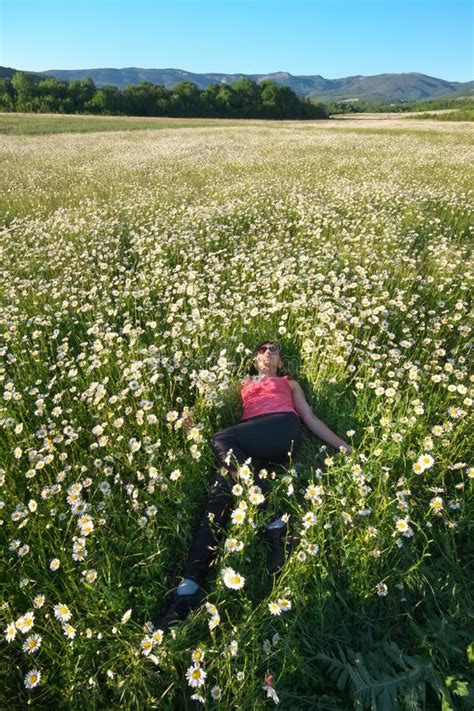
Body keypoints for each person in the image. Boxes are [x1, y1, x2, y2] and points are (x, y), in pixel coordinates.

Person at [154, 340, 353, 630]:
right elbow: (212, 404)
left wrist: (344, 446)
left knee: (221, 440)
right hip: (250, 445)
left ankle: (269, 510)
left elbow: (309, 418)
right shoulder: (242, 384)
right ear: (254, 359)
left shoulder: (289, 383)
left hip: (282, 428)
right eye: (263, 349)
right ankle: (187, 592)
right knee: (218, 497)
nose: (268, 353)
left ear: (280, 363)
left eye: (274, 350)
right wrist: (192, 424)